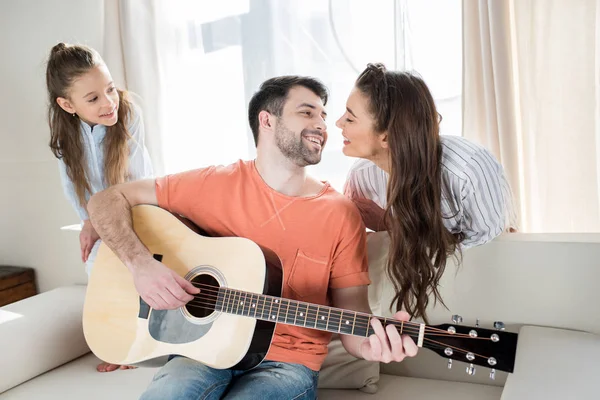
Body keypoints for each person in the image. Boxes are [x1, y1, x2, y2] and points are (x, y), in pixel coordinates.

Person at [87, 76, 418, 399]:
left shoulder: (341, 214)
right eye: (307, 112)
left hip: (288, 365)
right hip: (201, 353)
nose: (322, 125)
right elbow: (105, 200)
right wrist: (141, 265)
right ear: (267, 120)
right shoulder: (213, 184)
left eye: (323, 116)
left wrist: (373, 346)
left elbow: (353, 316)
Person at [337, 63, 518, 323]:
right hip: (411, 305)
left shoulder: (467, 170)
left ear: (386, 137)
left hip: (481, 296)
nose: (338, 123)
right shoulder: (361, 177)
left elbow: (490, 248)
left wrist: (392, 224)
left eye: (350, 118)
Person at [46, 42, 153, 372]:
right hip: (95, 221)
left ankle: (141, 344)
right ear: (67, 104)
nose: (109, 102)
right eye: (93, 98)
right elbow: (72, 186)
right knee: (101, 275)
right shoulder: (65, 134)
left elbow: (137, 179)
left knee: (139, 274)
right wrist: (89, 219)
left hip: (138, 211)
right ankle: (115, 344)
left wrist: (103, 215)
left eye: (110, 89)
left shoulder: (129, 114)